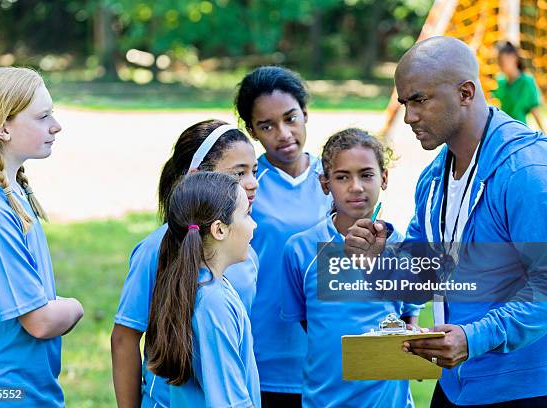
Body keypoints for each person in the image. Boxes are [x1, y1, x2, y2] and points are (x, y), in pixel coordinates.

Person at [345, 36, 547, 406]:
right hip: (457, 383)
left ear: (466, 93)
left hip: (529, 388)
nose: (409, 116)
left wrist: (474, 338)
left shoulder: (529, 171)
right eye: (404, 102)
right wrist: (376, 261)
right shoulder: (434, 177)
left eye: (419, 100)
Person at [0, 67, 84, 407]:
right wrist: (75, 306)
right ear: (3, 129)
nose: (56, 125)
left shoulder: (8, 191)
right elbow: (39, 321)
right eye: (42, 117)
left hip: (29, 387)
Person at [111, 119, 259, 407]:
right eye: (238, 174)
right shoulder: (157, 249)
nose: (252, 182)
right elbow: (124, 338)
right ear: (197, 177)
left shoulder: (243, 249)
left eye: (254, 170)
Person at [281, 128, 421, 407]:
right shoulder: (300, 249)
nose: (356, 186)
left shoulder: (405, 248)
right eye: (342, 177)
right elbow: (309, 323)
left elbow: (407, 319)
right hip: (324, 400)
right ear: (325, 184)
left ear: (384, 178)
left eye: (366, 175)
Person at [235, 66, 332, 406]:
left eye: (291, 118)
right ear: (251, 131)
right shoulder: (244, 187)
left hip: (327, 354)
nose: (284, 133)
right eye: (267, 125)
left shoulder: (339, 178)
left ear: (305, 114)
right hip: (262, 353)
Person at [146, 171, 260, 407]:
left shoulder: (197, 283)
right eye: (247, 215)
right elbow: (229, 401)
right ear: (220, 229)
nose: (254, 224)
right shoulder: (212, 301)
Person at [492, 41, 547, 133]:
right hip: (502, 131)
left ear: (514, 58)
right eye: (498, 61)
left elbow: (535, 112)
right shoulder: (499, 81)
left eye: (502, 60)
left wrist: (546, 135)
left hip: (519, 132)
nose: (499, 64)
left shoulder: (527, 82)